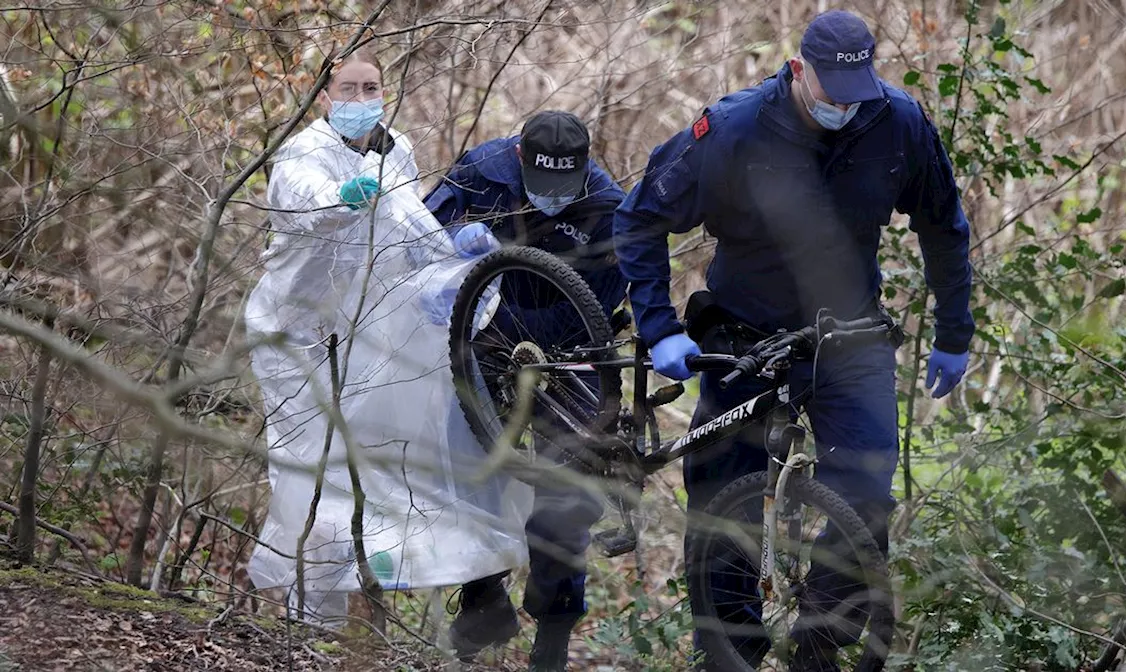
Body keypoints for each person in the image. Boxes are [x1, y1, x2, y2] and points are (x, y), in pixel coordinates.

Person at [612, 10, 974, 670]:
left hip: (847, 335)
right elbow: (638, 222)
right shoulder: (732, 129)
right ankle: (731, 657)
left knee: (866, 494)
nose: (843, 105)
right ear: (798, 70)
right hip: (742, 337)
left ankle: (819, 645)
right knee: (725, 514)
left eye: (855, 90)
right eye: (830, 90)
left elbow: (943, 227)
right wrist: (659, 327)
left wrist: (955, 331)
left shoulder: (896, 121)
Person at [244, 45, 530, 626]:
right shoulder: (302, 153)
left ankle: (357, 612)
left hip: (356, 332)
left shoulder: (395, 148)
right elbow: (300, 200)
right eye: (346, 90)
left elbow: (401, 230)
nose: (359, 101)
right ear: (323, 97)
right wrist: (339, 200)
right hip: (294, 335)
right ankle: (310, 625)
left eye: (369, 89)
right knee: (309, 470)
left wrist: (449, 258)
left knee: (370, 466)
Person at [424, 110, 627, 671]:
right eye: (542, 185)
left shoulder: (606, 207)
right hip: (480, 342)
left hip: (568, 351)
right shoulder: (483, 171)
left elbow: (595, 310)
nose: (552, 198)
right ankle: (482, 599)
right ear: (520, 158)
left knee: (571, 488)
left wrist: (505, 319)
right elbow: (416, 231)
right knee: (468, 465)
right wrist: (449, 256)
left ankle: (554, 633)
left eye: (566, 186)